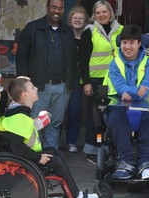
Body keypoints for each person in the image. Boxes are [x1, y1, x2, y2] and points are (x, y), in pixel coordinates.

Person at [0, 76, 98, 198]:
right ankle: (76, 196)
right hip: (21, 160)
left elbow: (25, 133)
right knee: (56, 161)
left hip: (24, 155)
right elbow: (17, 147)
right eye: (32, 87)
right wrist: (38, 158)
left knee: (56, 152)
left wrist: (37, 123)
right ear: (25, 95)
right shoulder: (19, 118)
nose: (36, 88)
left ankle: (72, 193)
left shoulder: (18, 111)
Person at [106, 24, 149, 180]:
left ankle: (145, 163)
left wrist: (130, 93)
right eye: (125, 42)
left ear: (139, 44)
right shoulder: (115, 63)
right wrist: (133, 92)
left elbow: (147, 85)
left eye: (132, 42)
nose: (128, 46)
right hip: (121, 106)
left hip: (145, 105)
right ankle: (125, 161)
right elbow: (118, 85)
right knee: (115, 117)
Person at [16, 0, 77, 149]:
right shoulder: (32, 28)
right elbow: (21, 55)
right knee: (35, 123)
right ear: (47, 7)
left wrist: (71, 83)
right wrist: (25, 83)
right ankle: (34, 161)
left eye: (60, 8)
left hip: (62, 86)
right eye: (54, 7)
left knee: (54, 124)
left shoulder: (67, 30)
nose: (57, 11)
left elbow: (73, 58)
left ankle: (50, 159)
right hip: (38, 87)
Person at [80, 0, 123, 164]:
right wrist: (86, 82)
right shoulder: (89, 31)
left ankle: (112, 148)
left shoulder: (120, 30)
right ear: (94, 15)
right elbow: (83, 59)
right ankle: (93, 150)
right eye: (98, 13)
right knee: (97, 115)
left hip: (116, 79)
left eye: (104, 12)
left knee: (114, 114)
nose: (101, 15)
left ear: (110, 13)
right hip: (97, 80)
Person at [65, 6, 89, 153]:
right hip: (65, 78)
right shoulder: (65, 35)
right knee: (58, 112)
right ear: (70, 20)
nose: (78, 20)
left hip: (81, 79)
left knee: (75, 111)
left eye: (81, 18)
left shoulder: (88, 36)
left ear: (85, 20)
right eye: (75, 18)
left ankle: (71, 141)